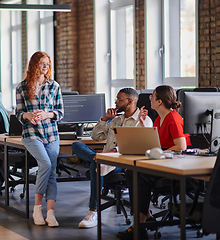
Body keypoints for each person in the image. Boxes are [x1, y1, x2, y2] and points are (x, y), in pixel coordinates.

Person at [71, 88, 153, 228]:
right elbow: (95, 136)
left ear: (130, 101)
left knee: (96, 164)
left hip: (123, 163)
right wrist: (104, 119)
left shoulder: (143, 121)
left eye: (119, 99)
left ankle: (93, 211)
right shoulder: (116, 120)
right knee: (76, 145)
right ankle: (96, 157)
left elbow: (138, 146)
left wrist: (113, 152)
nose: (116, 102)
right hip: (105, 159)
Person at [116, 85, 190, 240]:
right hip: (161, 164)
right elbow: (156, 143)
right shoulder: (158, 119)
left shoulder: (173, 118)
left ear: (160, 101)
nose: (150, 99)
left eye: (152, 96)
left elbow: (181, 146)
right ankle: (146, 216)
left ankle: (139, 226)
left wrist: (160, 153)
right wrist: (144, 125)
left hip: (173, 167)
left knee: (141, 176)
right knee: (131, 172)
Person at [16, 51, 64, 227]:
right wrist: (28, 115)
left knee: (51, 172)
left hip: (51, 134)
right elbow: (18, 114)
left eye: (47, 64)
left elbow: (60, 113)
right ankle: (37, 209)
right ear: (34, 65)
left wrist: (47, 114)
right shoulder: (22, 87)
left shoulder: (54, 86)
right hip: (31, 134)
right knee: (45, 164)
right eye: (42, 64)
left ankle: (50, 213)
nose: (45, 67)